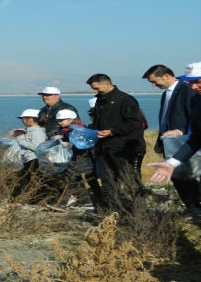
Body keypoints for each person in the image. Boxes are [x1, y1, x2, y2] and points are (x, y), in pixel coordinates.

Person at [142, 64, 200, 215]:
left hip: (181, 140)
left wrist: (180, 130)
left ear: (166, 75)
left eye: (197, 81)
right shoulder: (196, 102)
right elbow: (197, 135)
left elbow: (188, 120)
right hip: (176, 144)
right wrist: (171, 162)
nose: (193, 87)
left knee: (187, 178)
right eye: (190, 82)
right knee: (180, 177)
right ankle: (195, 210)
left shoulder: (186, 92)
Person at [86, 74, 144, 211]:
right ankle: (110, 210)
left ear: (107, 84)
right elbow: (98, 122)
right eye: (93, 89)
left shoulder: (126, 100)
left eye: (97, 88)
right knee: (107, 180)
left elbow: (134, 122)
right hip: (103, 147)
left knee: (130, 180)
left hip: (122, 148)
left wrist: (112, 131)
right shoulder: (100, 100)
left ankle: (139, 211)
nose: (95, 91)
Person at [12, 109, 48, 197]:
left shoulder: (37, 132)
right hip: (29, 159)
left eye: (23, 119)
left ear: (30, 119)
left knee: (32, 180)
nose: (22, 121)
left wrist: (21, 140)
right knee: (25, 179)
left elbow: (37, 147)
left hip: (34, 159)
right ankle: (19, 198)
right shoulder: (32, 131)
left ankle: (17, 198)